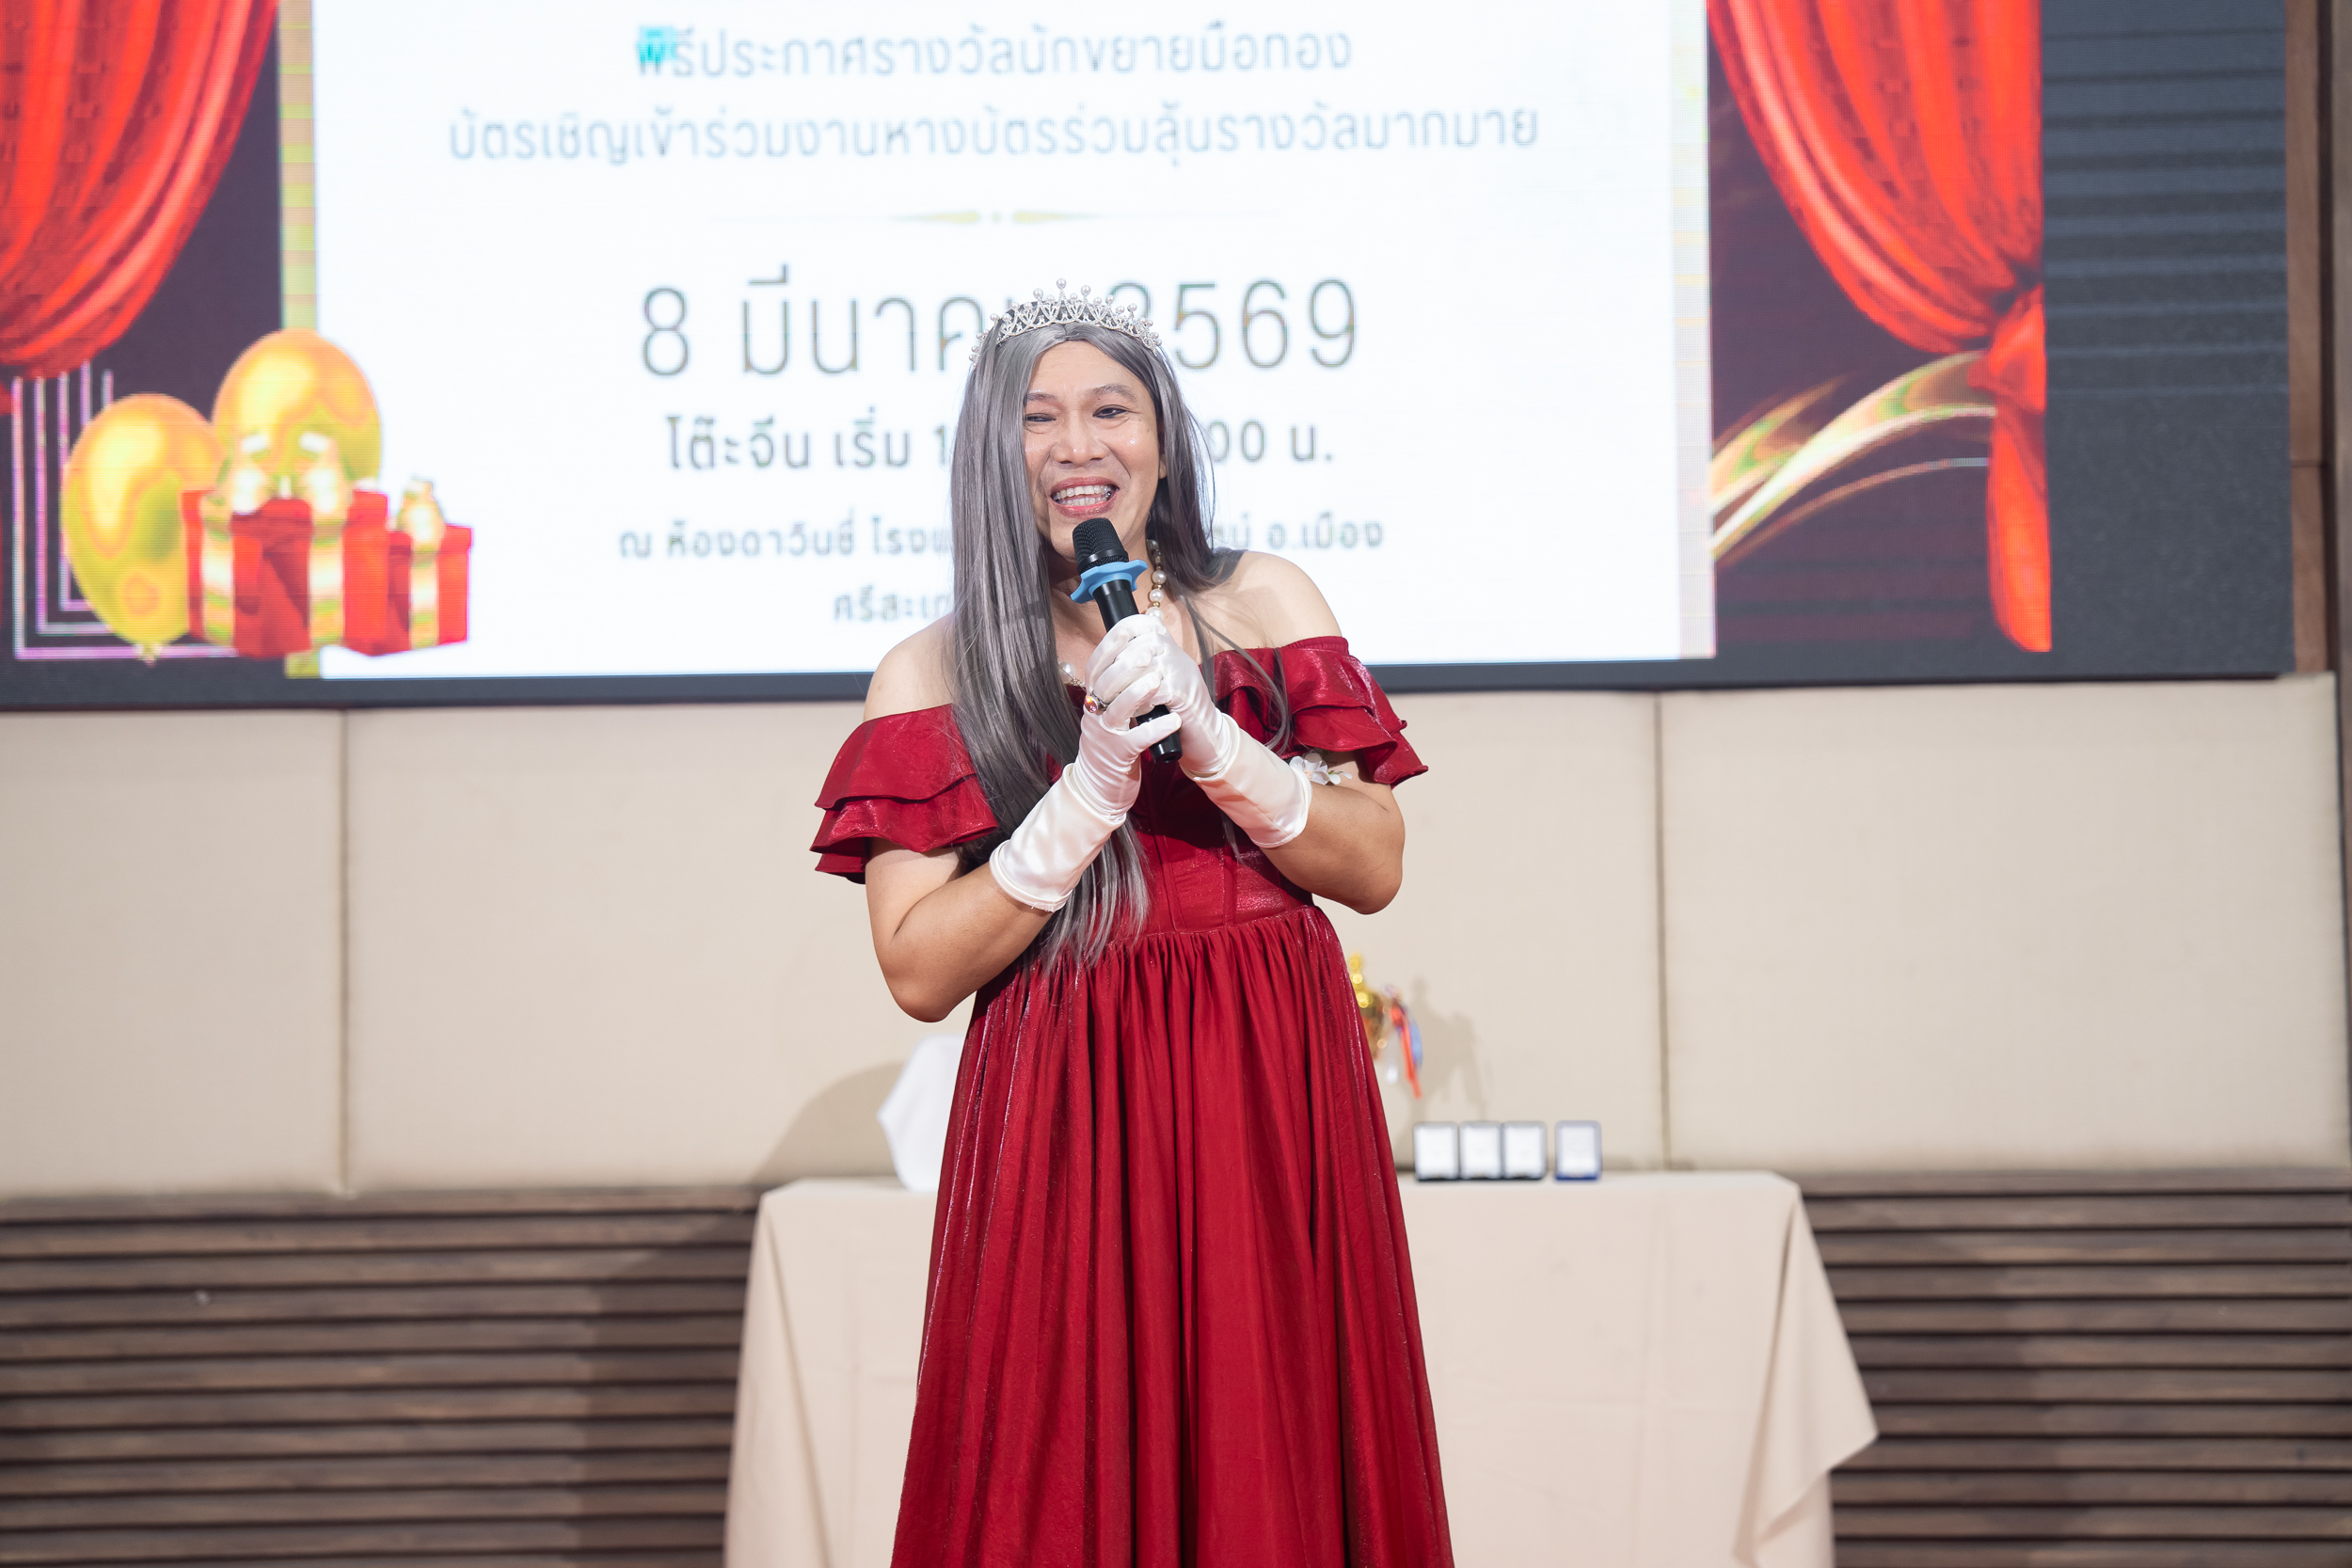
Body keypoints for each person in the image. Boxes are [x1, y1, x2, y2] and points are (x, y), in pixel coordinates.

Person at [812, 283, 1454, 1567]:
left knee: (1272, 1421)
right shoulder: (933, 671)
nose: (1079, 445)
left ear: (1162, 439)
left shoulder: (1266, 600)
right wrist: (1088, 792)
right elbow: (917, 968)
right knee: (1071, 1444)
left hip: (1266, 1066)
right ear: (992, 452)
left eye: (1111, 410)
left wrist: (1219, 747)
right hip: (1072, 1082)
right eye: (1038, 417)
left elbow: (1375, 863)